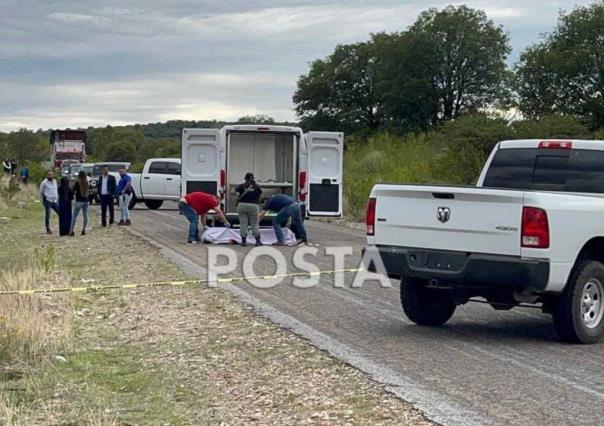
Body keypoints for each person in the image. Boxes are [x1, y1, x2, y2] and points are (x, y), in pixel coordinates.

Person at [233, 172, 263, 246]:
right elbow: (261, 196)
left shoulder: (241, 186)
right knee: (254, 224)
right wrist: (257, 199)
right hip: (253, 206)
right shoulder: (257, 187)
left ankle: (244, 241)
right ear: (253, 178)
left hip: (242, 205)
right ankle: (258, 241)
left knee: (243, 224)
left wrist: (238, 194)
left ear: (245, 179)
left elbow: (232, 191)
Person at [70, 171, 90, 236]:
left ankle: (71, 231)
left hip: (79, 201)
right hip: (86, 201)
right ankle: (83, 230)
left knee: (74, 216)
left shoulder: (77, 183)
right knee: (85, 216)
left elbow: (72, 191)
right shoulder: (87, 182)